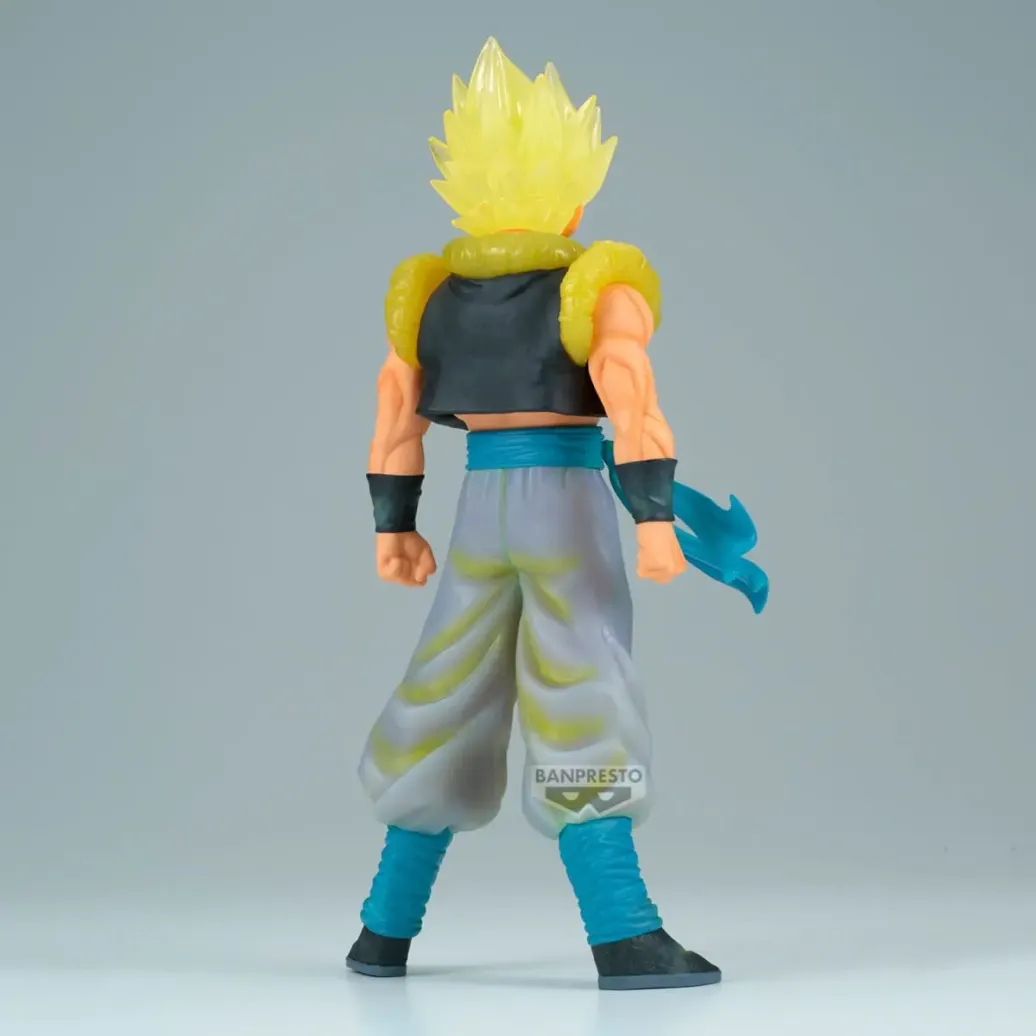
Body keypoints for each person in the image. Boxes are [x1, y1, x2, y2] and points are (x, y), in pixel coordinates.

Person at [347, 37, 767, 991]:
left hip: (477, 508)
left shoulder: (428, 296)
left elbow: (393, 411)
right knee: (583, 690)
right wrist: (653, 519)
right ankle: (623, 932)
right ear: (575, 201)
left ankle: (383, 930)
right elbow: (629, 392)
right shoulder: (596, 285)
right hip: (566, 507)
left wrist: (393, 526)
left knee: (443, 691)